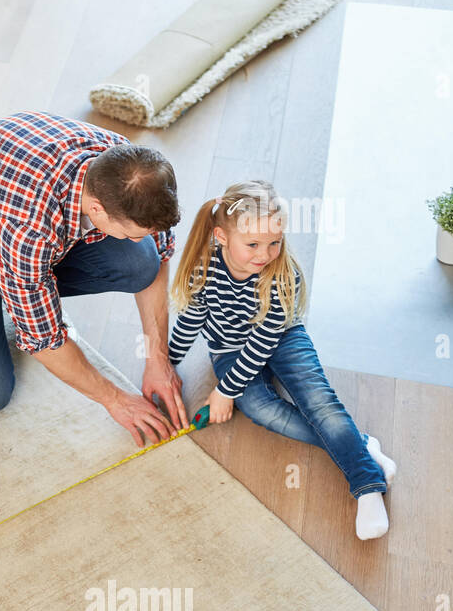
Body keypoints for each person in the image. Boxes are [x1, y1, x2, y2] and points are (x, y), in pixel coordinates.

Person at [0, 111, 188, 444]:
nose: (140, 238)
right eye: (131, 232)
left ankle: (27, 289)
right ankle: (13, 295)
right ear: (96, 209)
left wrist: (157, 357)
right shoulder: (29, 227)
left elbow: (160, 251)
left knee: (143, 263)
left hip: (22, 236)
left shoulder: (125, 163)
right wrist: (115, 398)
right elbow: (45, 341)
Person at [168, 180, 396, 541]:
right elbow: (191, 320)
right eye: (253, 244)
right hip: (228, 348)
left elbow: (262, 342)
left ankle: (367, 484)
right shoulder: (204, 269)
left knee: (318, 402)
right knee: (261, 410)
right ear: (222, 237)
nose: (265, 253)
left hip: (281, 338)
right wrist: (168, 362)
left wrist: (224, 392)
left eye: (275, 242)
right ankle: (361, 444)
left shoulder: (281, 277)